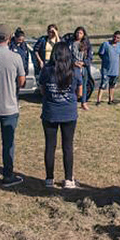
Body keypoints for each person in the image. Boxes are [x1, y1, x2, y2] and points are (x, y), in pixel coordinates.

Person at [0, 24, 27, 186]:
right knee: (8, 142)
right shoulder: (15, 57)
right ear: (10, 37)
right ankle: (8, 174)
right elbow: (22, 82)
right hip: (9, 106)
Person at [39, 42, 82, 188]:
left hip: (50, 112)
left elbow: (42, 90)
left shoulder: (46, 70)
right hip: (68, 114)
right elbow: (80, 93)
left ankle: (49, 179)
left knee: (50, 146)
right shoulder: (75, 71)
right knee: (67, 146)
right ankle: (69, 179)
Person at [68, 26, 93, 110]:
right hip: (73, 67)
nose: (79, 34)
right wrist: (73, 62)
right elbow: (67, 55)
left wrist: (83, 63)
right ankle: (73, 102)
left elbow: (90, 57)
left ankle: (84, 102)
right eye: (77, 32)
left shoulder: (87, 44)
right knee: (74, 85)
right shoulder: (71, 43)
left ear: (83, 34)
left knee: (84, 85)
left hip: (83, 68)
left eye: (81, 33)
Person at [96, 31, 120, 105]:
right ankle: (98, 100)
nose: (115, 38)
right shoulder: (106, 44)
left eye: (118, 38)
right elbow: (100, 54)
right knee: (103, 84)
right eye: (114, 36)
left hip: (115, 70)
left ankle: (110, 99)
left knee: (112, 85)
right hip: (106, 69)